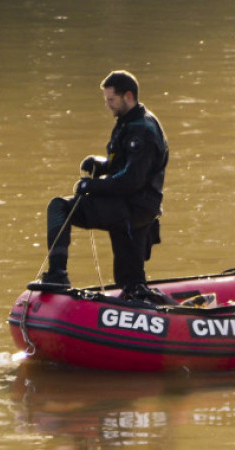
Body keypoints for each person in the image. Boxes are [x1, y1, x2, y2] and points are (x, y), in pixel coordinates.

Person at [38, 70, 171, 301]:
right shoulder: (129, 122)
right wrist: (101, 165)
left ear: (128, 96)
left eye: (112, 100)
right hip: (135, 208)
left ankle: (57, 275)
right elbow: (124, 164)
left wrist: (92, 186)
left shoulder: (142, 130)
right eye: (106, 100)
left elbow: (132, 179)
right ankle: (140, 306)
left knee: (59, 207)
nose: (108, 105)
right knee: (131, 282)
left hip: (131, 208)